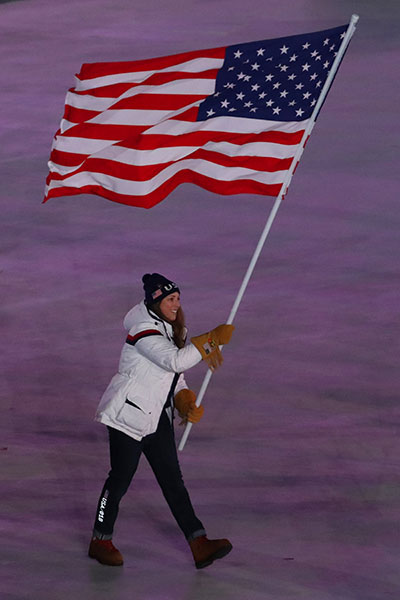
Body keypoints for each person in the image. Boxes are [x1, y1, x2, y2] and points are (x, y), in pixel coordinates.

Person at [88, 273, 234, 569]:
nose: (176, 305)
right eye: (170, 299)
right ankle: (100, 539)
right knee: (119, 480)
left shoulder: (171, 330)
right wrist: (211, 341)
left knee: (173, 483)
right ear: (155, 300)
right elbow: (174, 361)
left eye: (178, 299)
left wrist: (185, 401)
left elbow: (175, 377)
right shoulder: (142, 331)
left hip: (157, 419)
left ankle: (198, 542)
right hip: (128, 418)